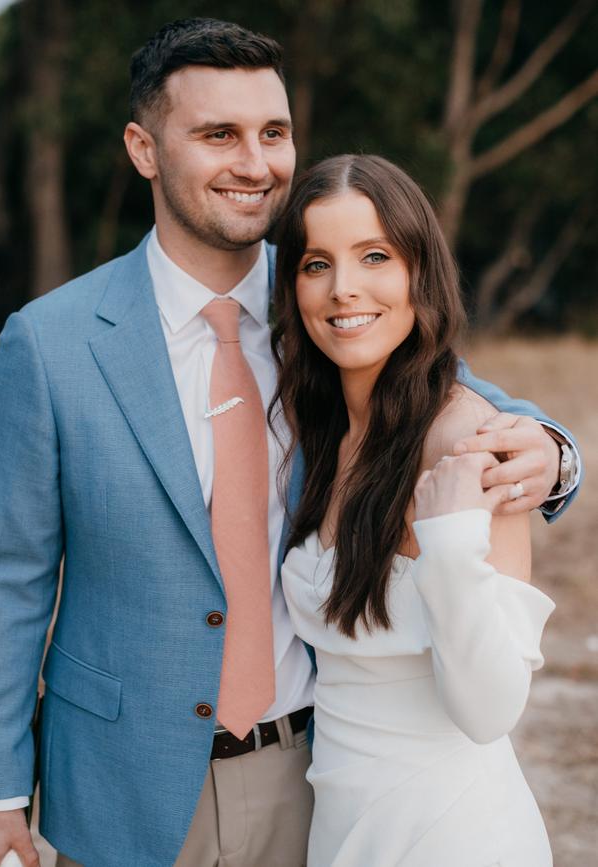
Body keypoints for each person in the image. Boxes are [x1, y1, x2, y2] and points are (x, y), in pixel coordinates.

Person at [0, 18, 579, 867]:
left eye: (273, 133)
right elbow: (10, 577)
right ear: (144, 148)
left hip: (309, 775)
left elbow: (449, 393)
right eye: (219, 134)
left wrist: (554, 448)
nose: (255, 162)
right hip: (120, 787)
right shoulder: (52, 343)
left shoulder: (330, 299)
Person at [274, 154, 560, 866]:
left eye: (375, 256)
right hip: (339, 822)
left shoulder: (471, 440)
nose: (344, 290)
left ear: (419, 272)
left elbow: (492, 709)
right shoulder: (321, 427)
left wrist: (452, 541)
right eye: (316, 264)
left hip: (451, 833)